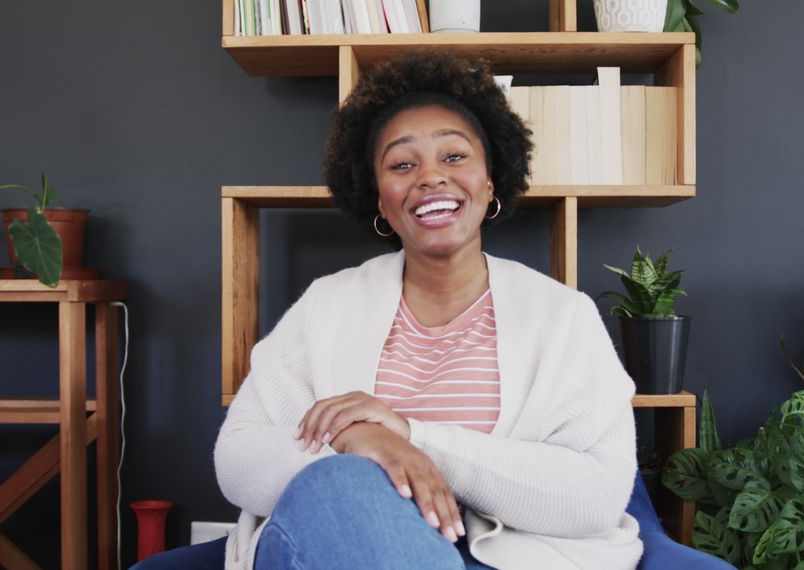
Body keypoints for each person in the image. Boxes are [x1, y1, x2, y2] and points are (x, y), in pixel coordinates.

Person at [135, 49, 641, 570]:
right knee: (341, 483)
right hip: (340, 543)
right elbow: (239, 458)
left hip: (511, 558)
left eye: (455, 157)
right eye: (402, 164)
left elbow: (596, 496)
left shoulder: (563, 317)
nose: (430, 177)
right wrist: (360, 441)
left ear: (490, 181)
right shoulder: (328, 305)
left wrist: (412, 437)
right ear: (380, 199)